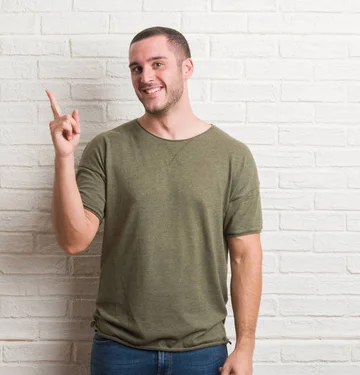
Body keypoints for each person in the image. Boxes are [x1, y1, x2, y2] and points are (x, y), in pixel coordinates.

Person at [47, 26, 263, 375]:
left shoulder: (232, 155)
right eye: (136, 68)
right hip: (119, 349)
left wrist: (246, 346)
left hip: (203, 350)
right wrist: (64, 158)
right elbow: (74, 240)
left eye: (157, 64)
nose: (145, 77)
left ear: (186, 68)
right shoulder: (107, 148)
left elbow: (245, 255)